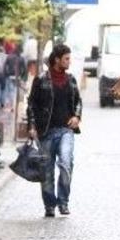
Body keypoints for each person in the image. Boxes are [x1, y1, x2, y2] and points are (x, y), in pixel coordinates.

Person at [27, 44, 82, 217]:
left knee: (66, 163)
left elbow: (78, 101)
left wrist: (77, 116)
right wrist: (32, 127)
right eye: (66, 58)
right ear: (57, 60)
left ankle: (63, 202)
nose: (69, 61)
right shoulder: (41, 79)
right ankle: (49, 205)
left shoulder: (71, 79)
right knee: (47, 170)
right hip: (46, 132)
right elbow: (31, 105)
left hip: (66, 130)